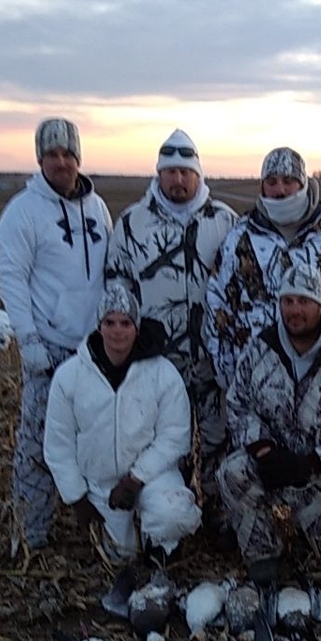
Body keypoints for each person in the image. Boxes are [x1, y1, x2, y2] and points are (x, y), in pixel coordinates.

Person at [216, 263, 321, 585]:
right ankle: (263, 555)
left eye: (304, 302)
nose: (295, 310)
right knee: (232, 473)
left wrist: (312, 463)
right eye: (288, 301)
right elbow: (238, 403)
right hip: (275, 466)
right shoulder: (260, 349)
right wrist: (263, 448)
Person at [105, 129, 237, 535]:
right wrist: (127, 350)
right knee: (164, 444)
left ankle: (220, 515)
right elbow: (117, 288)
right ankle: (172, 520)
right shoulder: (132, 224)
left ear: (198, 175)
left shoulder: (225, 221)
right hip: (158, 364)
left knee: (219, 440)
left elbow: (240, 291)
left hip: (213, 361)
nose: (178, 181)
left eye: (186, 172)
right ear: (158, 175)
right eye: (170, 172)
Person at [0, 118, 112, 553]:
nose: (61, 162)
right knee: (38, 442)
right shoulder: (22, 214)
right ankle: (29, 534)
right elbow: (10, 278)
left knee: (96, 440)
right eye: (52, 154)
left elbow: (106, 272)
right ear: (39, 158)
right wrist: (28, 341)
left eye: (68, 154)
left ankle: (99, 529)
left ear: (79, 158)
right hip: (50, 347)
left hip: (94, 350)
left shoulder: (97, 208)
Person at [43, 284, 201, 564]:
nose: (118, 330)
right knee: (120, 558)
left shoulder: (163, 374)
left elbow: (175, 436)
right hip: (100, 485)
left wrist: (135, 479)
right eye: (110, 322)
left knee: (174, 514)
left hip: (151, 478)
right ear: (99, 326)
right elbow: (59, 446)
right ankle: (123, 539)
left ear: (136, 327)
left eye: (126, 323)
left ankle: (161, 546)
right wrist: (77, 498)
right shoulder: (70, 377)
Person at [205, 147, 321, 389]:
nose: (280, 190)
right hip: (256, 383)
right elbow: (218, 307)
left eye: (288, 181)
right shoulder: (238, 238)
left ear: (303, 183)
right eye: (271, 182)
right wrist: (230, 378)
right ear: (262, 187)